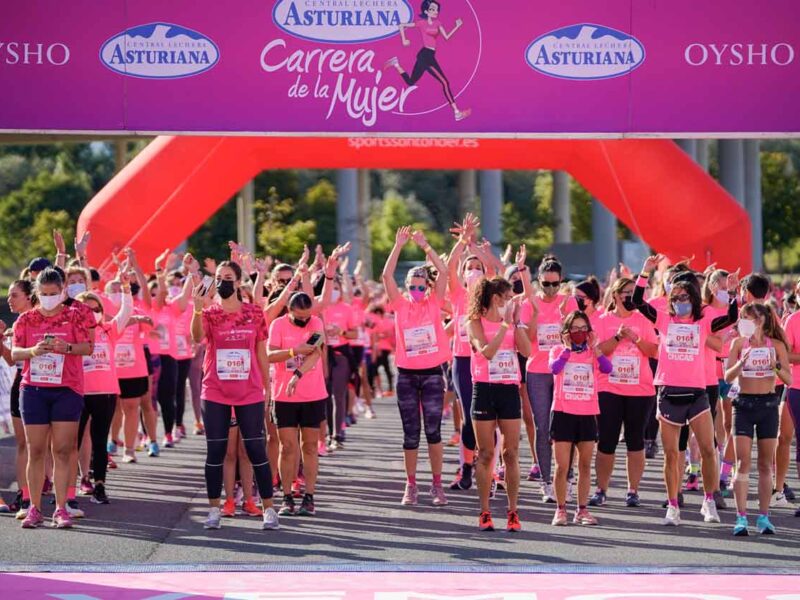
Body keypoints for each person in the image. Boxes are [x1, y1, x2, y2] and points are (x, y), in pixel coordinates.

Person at [634, 254, 738, 526]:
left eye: (685, 298)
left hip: (697, 393)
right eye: (676, 298)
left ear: (693, 298)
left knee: (707, 448)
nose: (680, 302)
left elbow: (731, 317)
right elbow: (636, 302)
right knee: (671, 454)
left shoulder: (703, 322)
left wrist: (733, 291)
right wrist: (645, 272)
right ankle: (672, 506)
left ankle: (708, 501)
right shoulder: (663, 319)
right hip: (669, 391)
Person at [190, 261, 279, 531]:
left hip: (249, 390)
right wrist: (196, 309)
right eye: (219, 278)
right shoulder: (209, 313)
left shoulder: (254, 313)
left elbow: (262, 353)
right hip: (215, 389)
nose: (223, 282)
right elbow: (196, 338)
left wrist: (267, 389)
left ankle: (269, 509)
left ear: (239, 282)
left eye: (228, 277)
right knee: (216, 450)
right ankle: (215, 509)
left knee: (255, 449)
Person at [12, 268, 94, 529]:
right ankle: (33, 508)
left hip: (66, 389)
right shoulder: (25, 320)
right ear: (37, 293)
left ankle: (61, 508)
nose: (49, 298)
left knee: (62, 450)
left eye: (54, 294)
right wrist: (33, 350)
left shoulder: (75, 316)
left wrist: (66, 347)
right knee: (35, 450)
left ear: (63, 292)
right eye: (44, 294)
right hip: (34, 390)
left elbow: (88, 347)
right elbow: (15, 353)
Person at [382, 226, 451, 506]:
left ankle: (437, 485)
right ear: (406, 287)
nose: (417, 290)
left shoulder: (435, 302)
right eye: (412, 286)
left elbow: (444, 273)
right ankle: (411, 485)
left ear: (428, 287)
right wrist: (398, 245)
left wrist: (426, 247)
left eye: (422, 286)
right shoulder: (399, 304)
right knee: (411, 433)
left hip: (433, 374)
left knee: (433, 431)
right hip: (407, 376)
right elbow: (386, 275)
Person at [467, 277, 531, 531]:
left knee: (511, 452)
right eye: (508, 298)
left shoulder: (513, 323)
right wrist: (506, 325)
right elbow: (487, 352)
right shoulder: (474, 322)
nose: (511, 302)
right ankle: (485, 511)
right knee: (485, 453)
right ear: (496, 299)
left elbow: (526, 351)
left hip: (508, 389)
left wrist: (518, 324)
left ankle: (513, 511)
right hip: (483, 389)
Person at [591, 277, 659, 508]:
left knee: (635, 441)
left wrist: (636, 338)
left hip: (640, 390)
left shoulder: (644, 320)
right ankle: (601, 489)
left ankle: (633, 490)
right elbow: (597, 353)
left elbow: (654, 352)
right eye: (627, 293)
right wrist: (619, 337)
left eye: (634, 293)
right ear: (616, 296)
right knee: (606, 441)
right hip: (609, 388)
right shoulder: (601, 321)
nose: (631, 297)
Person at [725, 303, 791, 535]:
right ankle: (741, 517)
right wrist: (740, 364)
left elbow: (788, 379)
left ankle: (763, 516)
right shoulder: (737, 343)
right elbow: (727, 375)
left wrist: (775, 366)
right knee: (742, 462)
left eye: (748, 317)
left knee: (765, 463)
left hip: (768, 405)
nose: (744, 321)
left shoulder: (777, 345)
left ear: (761, 319)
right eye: (742, 317)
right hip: (742, 404)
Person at [520, 255, 578, 503]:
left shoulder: (569, 302)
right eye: (546, 284)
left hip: (565, 371)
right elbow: (528, 339)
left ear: (561, 282)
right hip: (538, 371)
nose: (551, 289)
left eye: (556, 284)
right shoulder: (529, 303)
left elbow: (577, 339)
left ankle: (568, 476)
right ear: (539, 281)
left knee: (567, 426)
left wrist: (567, 319)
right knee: (542, 427)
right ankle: (546, 481)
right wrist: (534, 314)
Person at [549, 311, 612, 526]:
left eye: (583, 329)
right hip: (563, 413)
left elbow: (608, 368)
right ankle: (560, 509)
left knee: (585, 465)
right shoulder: (558, 350)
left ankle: (582, 510)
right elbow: (554, 369)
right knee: (562, 466)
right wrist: (567, 350)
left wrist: (595, 348)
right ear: (566, 332)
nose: (579, 333)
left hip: (587, 414)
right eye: (574, 329)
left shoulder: (593, 353)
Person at [269, 292, 327, 517]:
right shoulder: (278, 325)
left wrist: (297, 374)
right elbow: (270, 355)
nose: (305, 320)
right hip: (284, 396)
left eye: (307, 316)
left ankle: (309, 497)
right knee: (288, 447)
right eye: (299, 317)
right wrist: (294, 351)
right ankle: (286, 497)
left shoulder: (316, 322)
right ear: (290, 311)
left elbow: (315, 354)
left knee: (310, 446)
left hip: (311, 393)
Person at [76, 278, 133, 504]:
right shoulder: (73, 332)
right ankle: (68, 488)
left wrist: (127, 288)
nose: (92, 313)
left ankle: (99, 486)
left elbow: (126, 311)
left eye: (96, 309)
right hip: (78, 393)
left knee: (100, 441)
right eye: (86, 309)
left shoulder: (109, 329)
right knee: (72, 442)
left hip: (105, 392)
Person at [385, 0, 471, 121]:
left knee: (410, 82)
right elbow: (401, 25)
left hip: (428, 55)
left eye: (436, 9)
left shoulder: (438, 23)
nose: (435, 11)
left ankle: (396, 64)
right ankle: (457, 112)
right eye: (432, 9)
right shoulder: (421, 23)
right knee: (445, 82)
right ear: (426, 11)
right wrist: (404, 40)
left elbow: (446, 37)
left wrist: (456, 26)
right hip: (425, 56)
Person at [3, 280, 35, 518]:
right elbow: (14, 360)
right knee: (23, 444)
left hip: (46, 386)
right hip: (21, 383)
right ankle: (24, 496)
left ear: (29, 297)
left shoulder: (42, 319)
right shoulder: (16, 323)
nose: (9, 300)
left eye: (14, 295)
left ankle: (60, 495)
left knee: (47, 446)